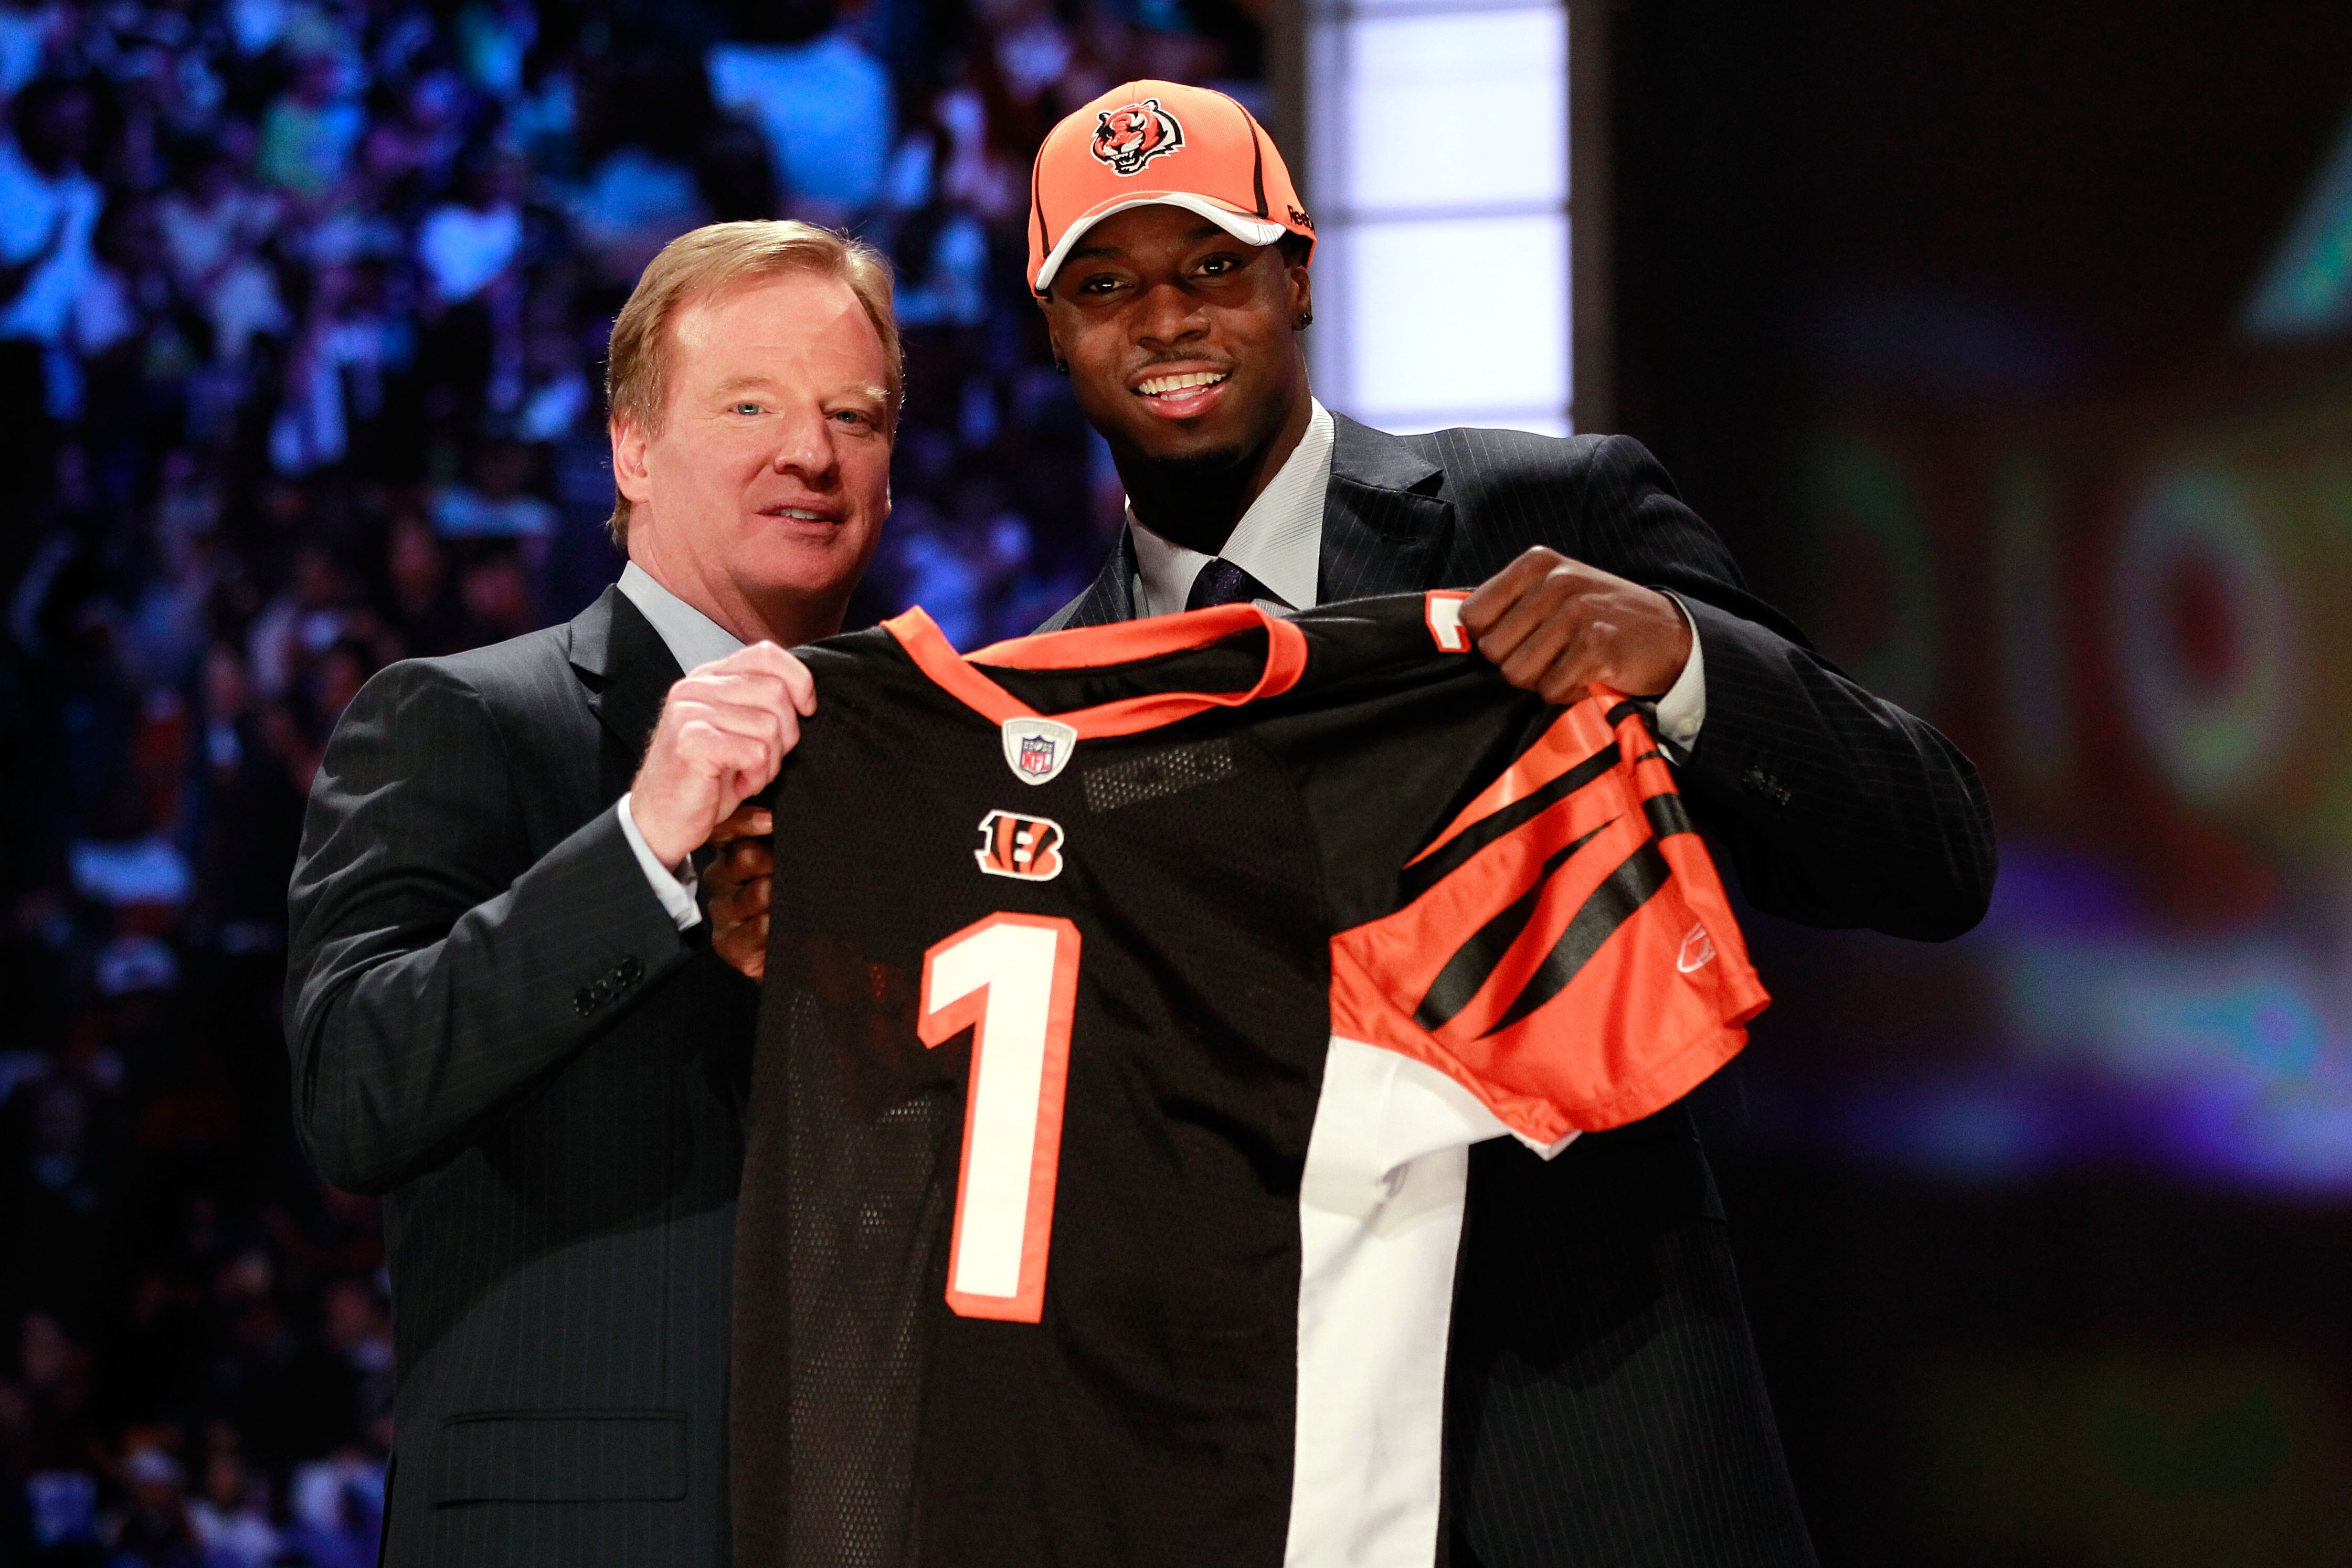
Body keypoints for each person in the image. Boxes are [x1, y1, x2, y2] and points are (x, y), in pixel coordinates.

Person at [708, 83, 1994, 1566]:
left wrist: (1687, 663)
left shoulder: (1547, 520)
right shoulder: (1025, 724)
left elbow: (1932, 848)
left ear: (1297, 276)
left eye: (1211, 268)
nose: (1166, 323)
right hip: (1239, 1482)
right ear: (1052, 330)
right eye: (1108, 287)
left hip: (1587, 1455)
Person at [283, 219, 899, 1567]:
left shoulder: (926, 772)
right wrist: (639, 847)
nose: (812, 452)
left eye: (854, 415)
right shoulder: (462, 719)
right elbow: (353, 1088)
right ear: (631, 449)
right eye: (750, 405)